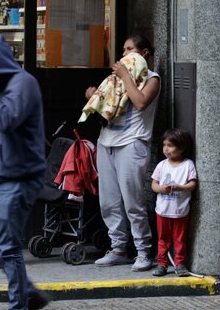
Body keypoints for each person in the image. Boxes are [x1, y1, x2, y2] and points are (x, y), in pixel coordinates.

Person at [0, 34, 50, 310]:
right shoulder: (2, 88)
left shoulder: (23, 84)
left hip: (20, 178)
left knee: (6, 244)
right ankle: (28, 294)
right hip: (0, 179)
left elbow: (6, 120)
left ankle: (19, 305)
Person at [86, 34, 161, 271]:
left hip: (132, 143)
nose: (124, 54)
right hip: (106, 142)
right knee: (108, 201)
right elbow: (104, 109)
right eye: (123, 50)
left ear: (144, 53)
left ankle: (143, 252)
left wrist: (125, 76)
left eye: (129, 49)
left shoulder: (152, 78)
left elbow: (140, 102)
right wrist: (93, 97)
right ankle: (118, 248)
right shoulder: (116, 80)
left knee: (133, 200)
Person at [150, 128, 197, 277]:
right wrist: (160, 189)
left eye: (170, 145)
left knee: (180, 239)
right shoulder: (162, 165)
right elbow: (153, 184)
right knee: (163, 239)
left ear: (182, 147)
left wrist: (179, 187)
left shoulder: (188, 164)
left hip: (180, 211)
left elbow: (192, 184)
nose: (166, 149)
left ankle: (180, 264)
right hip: (163, 210)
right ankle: (162, 263)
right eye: (164, 145)